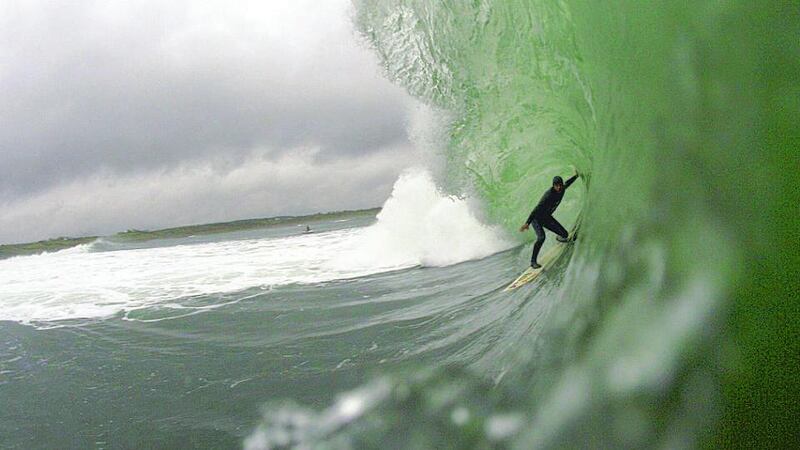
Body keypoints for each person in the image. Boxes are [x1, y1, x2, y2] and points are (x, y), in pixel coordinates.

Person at [519, 170, 580, 268]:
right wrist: (527, 223)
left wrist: (576, 176)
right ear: (553, 186)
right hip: (537, 219)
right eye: (557, 186)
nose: (559, 187)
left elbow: (567, 183)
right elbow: (536, 209)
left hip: (546, 218)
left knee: (565, 235)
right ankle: (533, 262)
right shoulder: (548, 195)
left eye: (560, 185)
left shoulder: (562, 189)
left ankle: (559, 237)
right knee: (541, 237)